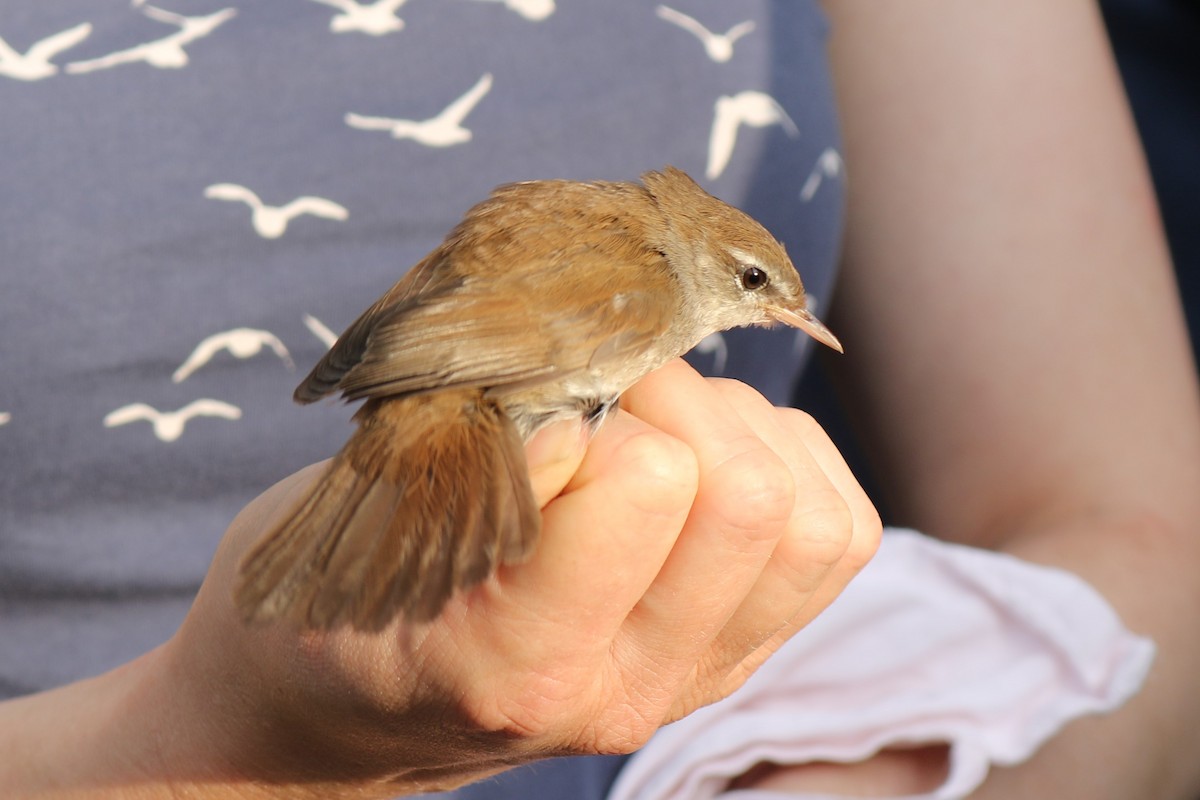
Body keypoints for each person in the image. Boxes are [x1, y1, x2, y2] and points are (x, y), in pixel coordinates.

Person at [2, 3, 1198, 800]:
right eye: (753, 291)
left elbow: (1142, 532)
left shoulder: (605, 232)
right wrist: (218, 741)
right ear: (703, 267)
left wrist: (847, 770)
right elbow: (474, 340)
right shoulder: (637, 285)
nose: (774, 313)